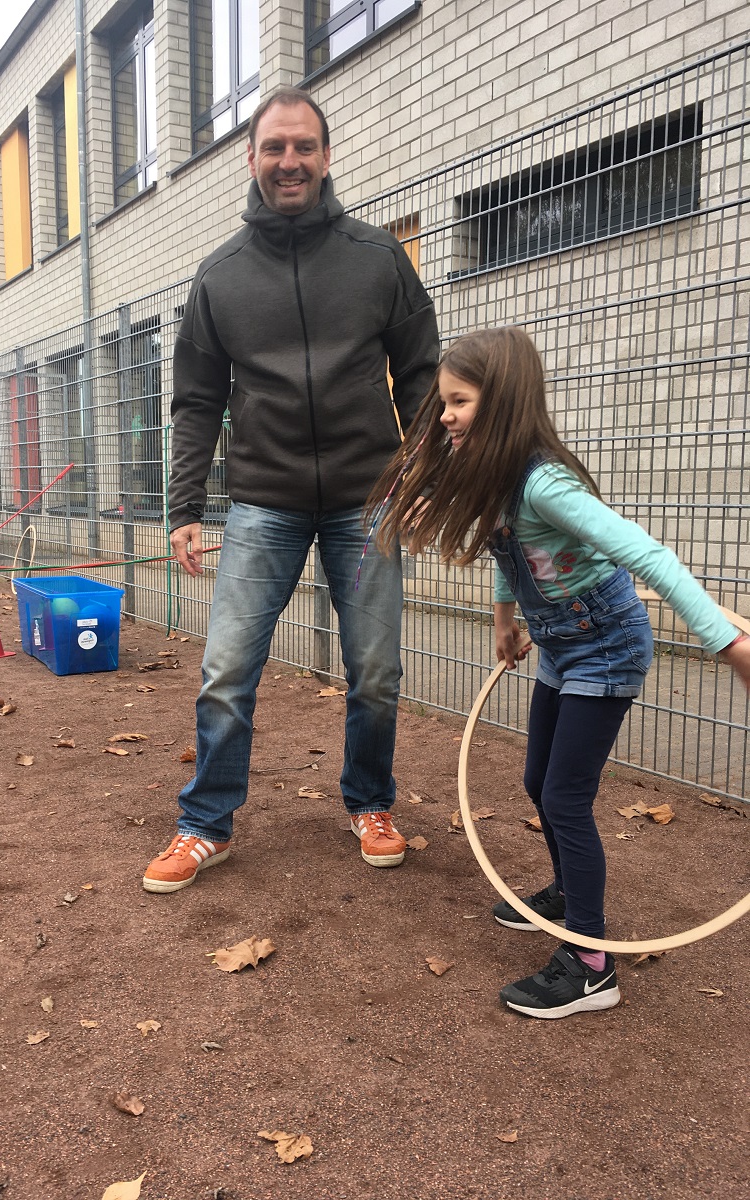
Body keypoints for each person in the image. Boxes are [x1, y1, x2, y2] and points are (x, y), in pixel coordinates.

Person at [367, 326, 750, 1018]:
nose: (445, 415)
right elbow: (507, 553)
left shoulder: (545, 484)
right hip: (560, 646)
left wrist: (730, 645)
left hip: (605, 648)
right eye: (443, 402)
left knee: (567, 797)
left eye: (458, 401)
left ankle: (591, 963)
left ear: (503, 400)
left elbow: (650, 557)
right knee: (537, 780)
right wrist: (505, 622)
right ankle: (570, 894)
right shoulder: (493, 476)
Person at [142, 87, 440, 893]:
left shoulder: (380, 259)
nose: (289, 161)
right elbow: (196, 400)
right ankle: (206, 824)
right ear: (251, 159)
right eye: (274, 148)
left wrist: (421, 476)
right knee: (227, 669)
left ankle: (370, 803)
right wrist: (184, 507)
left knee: (375, 671)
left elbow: (420, 376)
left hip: (366, 498)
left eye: (303, 146)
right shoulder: (220, 278)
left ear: (327, 155)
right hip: (262, 503)